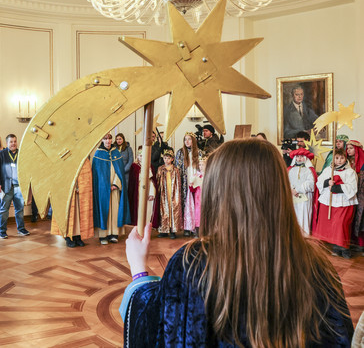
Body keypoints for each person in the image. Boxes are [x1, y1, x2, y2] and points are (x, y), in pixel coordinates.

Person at [120, 139, 353, 347]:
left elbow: (167, 330)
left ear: (217, 192)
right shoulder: (318, 264)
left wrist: (139, 271)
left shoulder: (194, 262)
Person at [313, 149, 358, 259]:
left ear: (345, 158)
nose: (339, 160)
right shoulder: (328, 170)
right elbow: (319, 182)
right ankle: (336, 247)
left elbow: (353, 187)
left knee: (341, 225)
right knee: (330, 225)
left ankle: (345, 247)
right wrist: (327, 182)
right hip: (329, 201)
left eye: (342, 158)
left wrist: (337, 187)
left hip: (344, 202)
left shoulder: (350, 172)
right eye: (336, 158)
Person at [92, 133, 130, 245]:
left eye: (109, 139)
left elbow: (120, 171)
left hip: (115, 188)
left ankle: (114, 234)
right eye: (105, 139)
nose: (108, 141)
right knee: (104, 210)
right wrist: (105, 185)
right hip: (103, 189)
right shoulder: (98, 154)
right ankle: (103, 235)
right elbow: (97, 174)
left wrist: (116, 184)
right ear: (102, 140)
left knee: (115, 210)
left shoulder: (116, 152)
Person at [50, 158, 93, 247]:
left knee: (78, 215)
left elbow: (87, 176)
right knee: (69, 215)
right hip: (68, 193)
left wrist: (81, 187)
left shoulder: (84, 158)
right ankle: (68, 237)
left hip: (80, 193)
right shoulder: (64, 157)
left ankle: (77, 236)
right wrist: (72, 188)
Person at [0, 134, 30, 239]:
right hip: (6, 186)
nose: (13, 143)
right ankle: (2, 231)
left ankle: (21, 229)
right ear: (7, 143)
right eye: (11, 142)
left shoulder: (21, 153)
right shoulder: (0, 154)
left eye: (15, 141)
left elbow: (26, 169)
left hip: (19, 186)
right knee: (4, 210)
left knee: (19, 209)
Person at [175, 132, 201, 236]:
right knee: (185, 202)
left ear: (193, 141)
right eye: (185, 139)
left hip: (195, 179)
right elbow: (178, 167)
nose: (187, 141)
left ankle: (195, 227)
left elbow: (201, 167)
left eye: (189, 139)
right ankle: (186, 227)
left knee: (196, 202)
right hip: (184, 179)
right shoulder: (180, 152)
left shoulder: (199, 153)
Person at [287, 148, 316, 235]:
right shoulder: (290, 170)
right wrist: (291, 189)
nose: (299, 159)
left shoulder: (309, 170)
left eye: (302, 157)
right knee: (293, 216)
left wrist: (298, 190)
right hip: (292, 197)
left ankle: (304, 236)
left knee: (304, 217)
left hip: (305, 197)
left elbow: (311, 183)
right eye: (297, 157)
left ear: (306, 158)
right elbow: (286, 180)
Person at [156, 149, 182, 239]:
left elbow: (178, 182)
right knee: (163, 210)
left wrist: (177, 193)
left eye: (168, 158)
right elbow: (158, 181)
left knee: (172, 210)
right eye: (165, 158)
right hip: (164, 193)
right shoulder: (161, 169)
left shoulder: (175, 170)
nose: (166, 160)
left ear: (172, 159)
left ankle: (172, 230)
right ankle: (164, 229)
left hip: (173, 192)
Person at [346, 140, 364, 253]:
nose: (348, 150)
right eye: (347, 148)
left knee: (361, 218)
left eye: (351, 148)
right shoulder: (346, 162)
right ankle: (352, 242)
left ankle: (361, 244)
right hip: (351, 194)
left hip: (361, 194)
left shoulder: (362, 163)